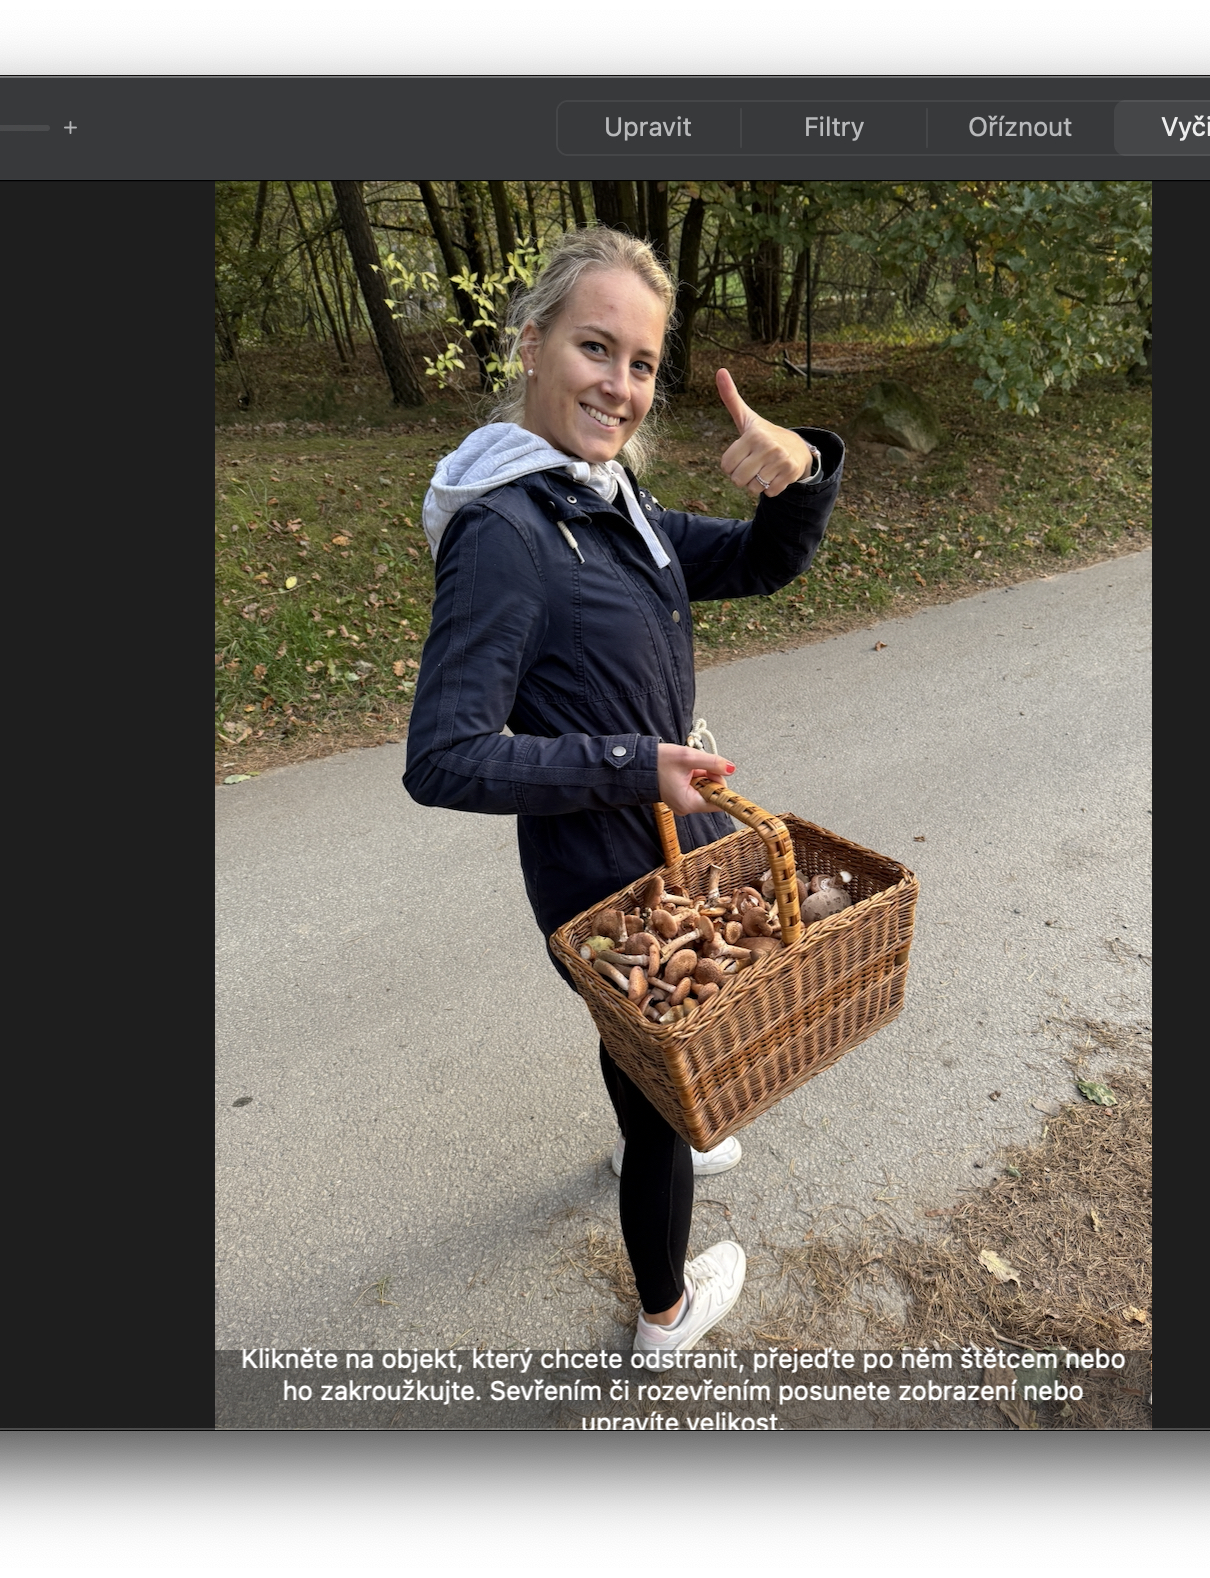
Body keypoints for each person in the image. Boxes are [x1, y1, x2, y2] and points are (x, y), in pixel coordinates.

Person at [401, 227, 843, 1354]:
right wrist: (632, 764)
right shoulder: (506, 532)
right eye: (596, 348)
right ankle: (665, 1315)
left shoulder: (605, 500)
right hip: (601, 873)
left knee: (643, 1052)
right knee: (657, 1105)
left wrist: (801, 471)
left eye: (642, 363)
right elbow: (442, 756)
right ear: (532, 342)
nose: (621, 384)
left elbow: (760, 561)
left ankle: (659, 1102)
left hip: (661, 849)